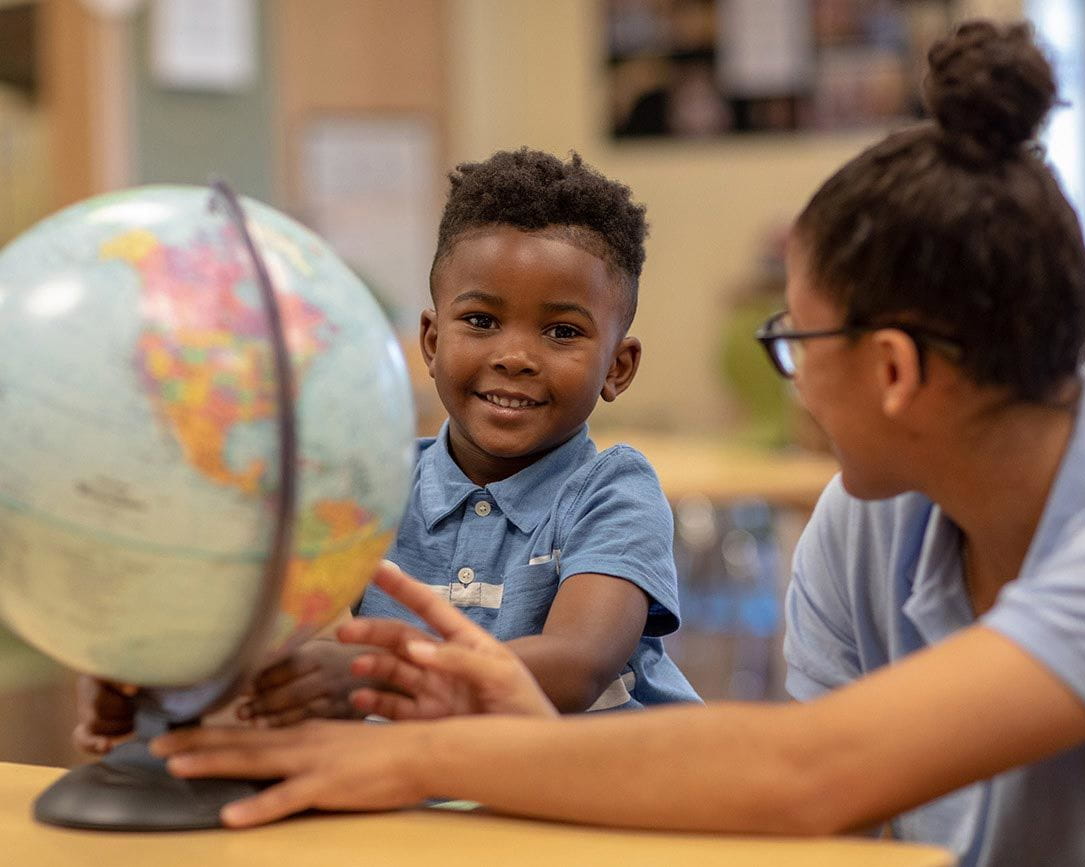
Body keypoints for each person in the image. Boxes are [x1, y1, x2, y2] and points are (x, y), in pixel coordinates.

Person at [152, 20, 1085, 866]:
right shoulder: (861, 524)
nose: (788, 380)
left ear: (892, 371)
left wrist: (411, 754)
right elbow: (833, 828)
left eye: (793, 342)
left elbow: (809, 771)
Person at [74, 148, 698, 752]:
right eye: (480, 320)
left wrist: (375, 675)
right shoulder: (372, 487)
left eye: (562, 332)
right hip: (418, 800)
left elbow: (577, 663)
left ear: (618, 367)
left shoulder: (615, 491)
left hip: (593, 805)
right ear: (430, 341)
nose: (514, 356)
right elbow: (266, 632)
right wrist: (167, 689)